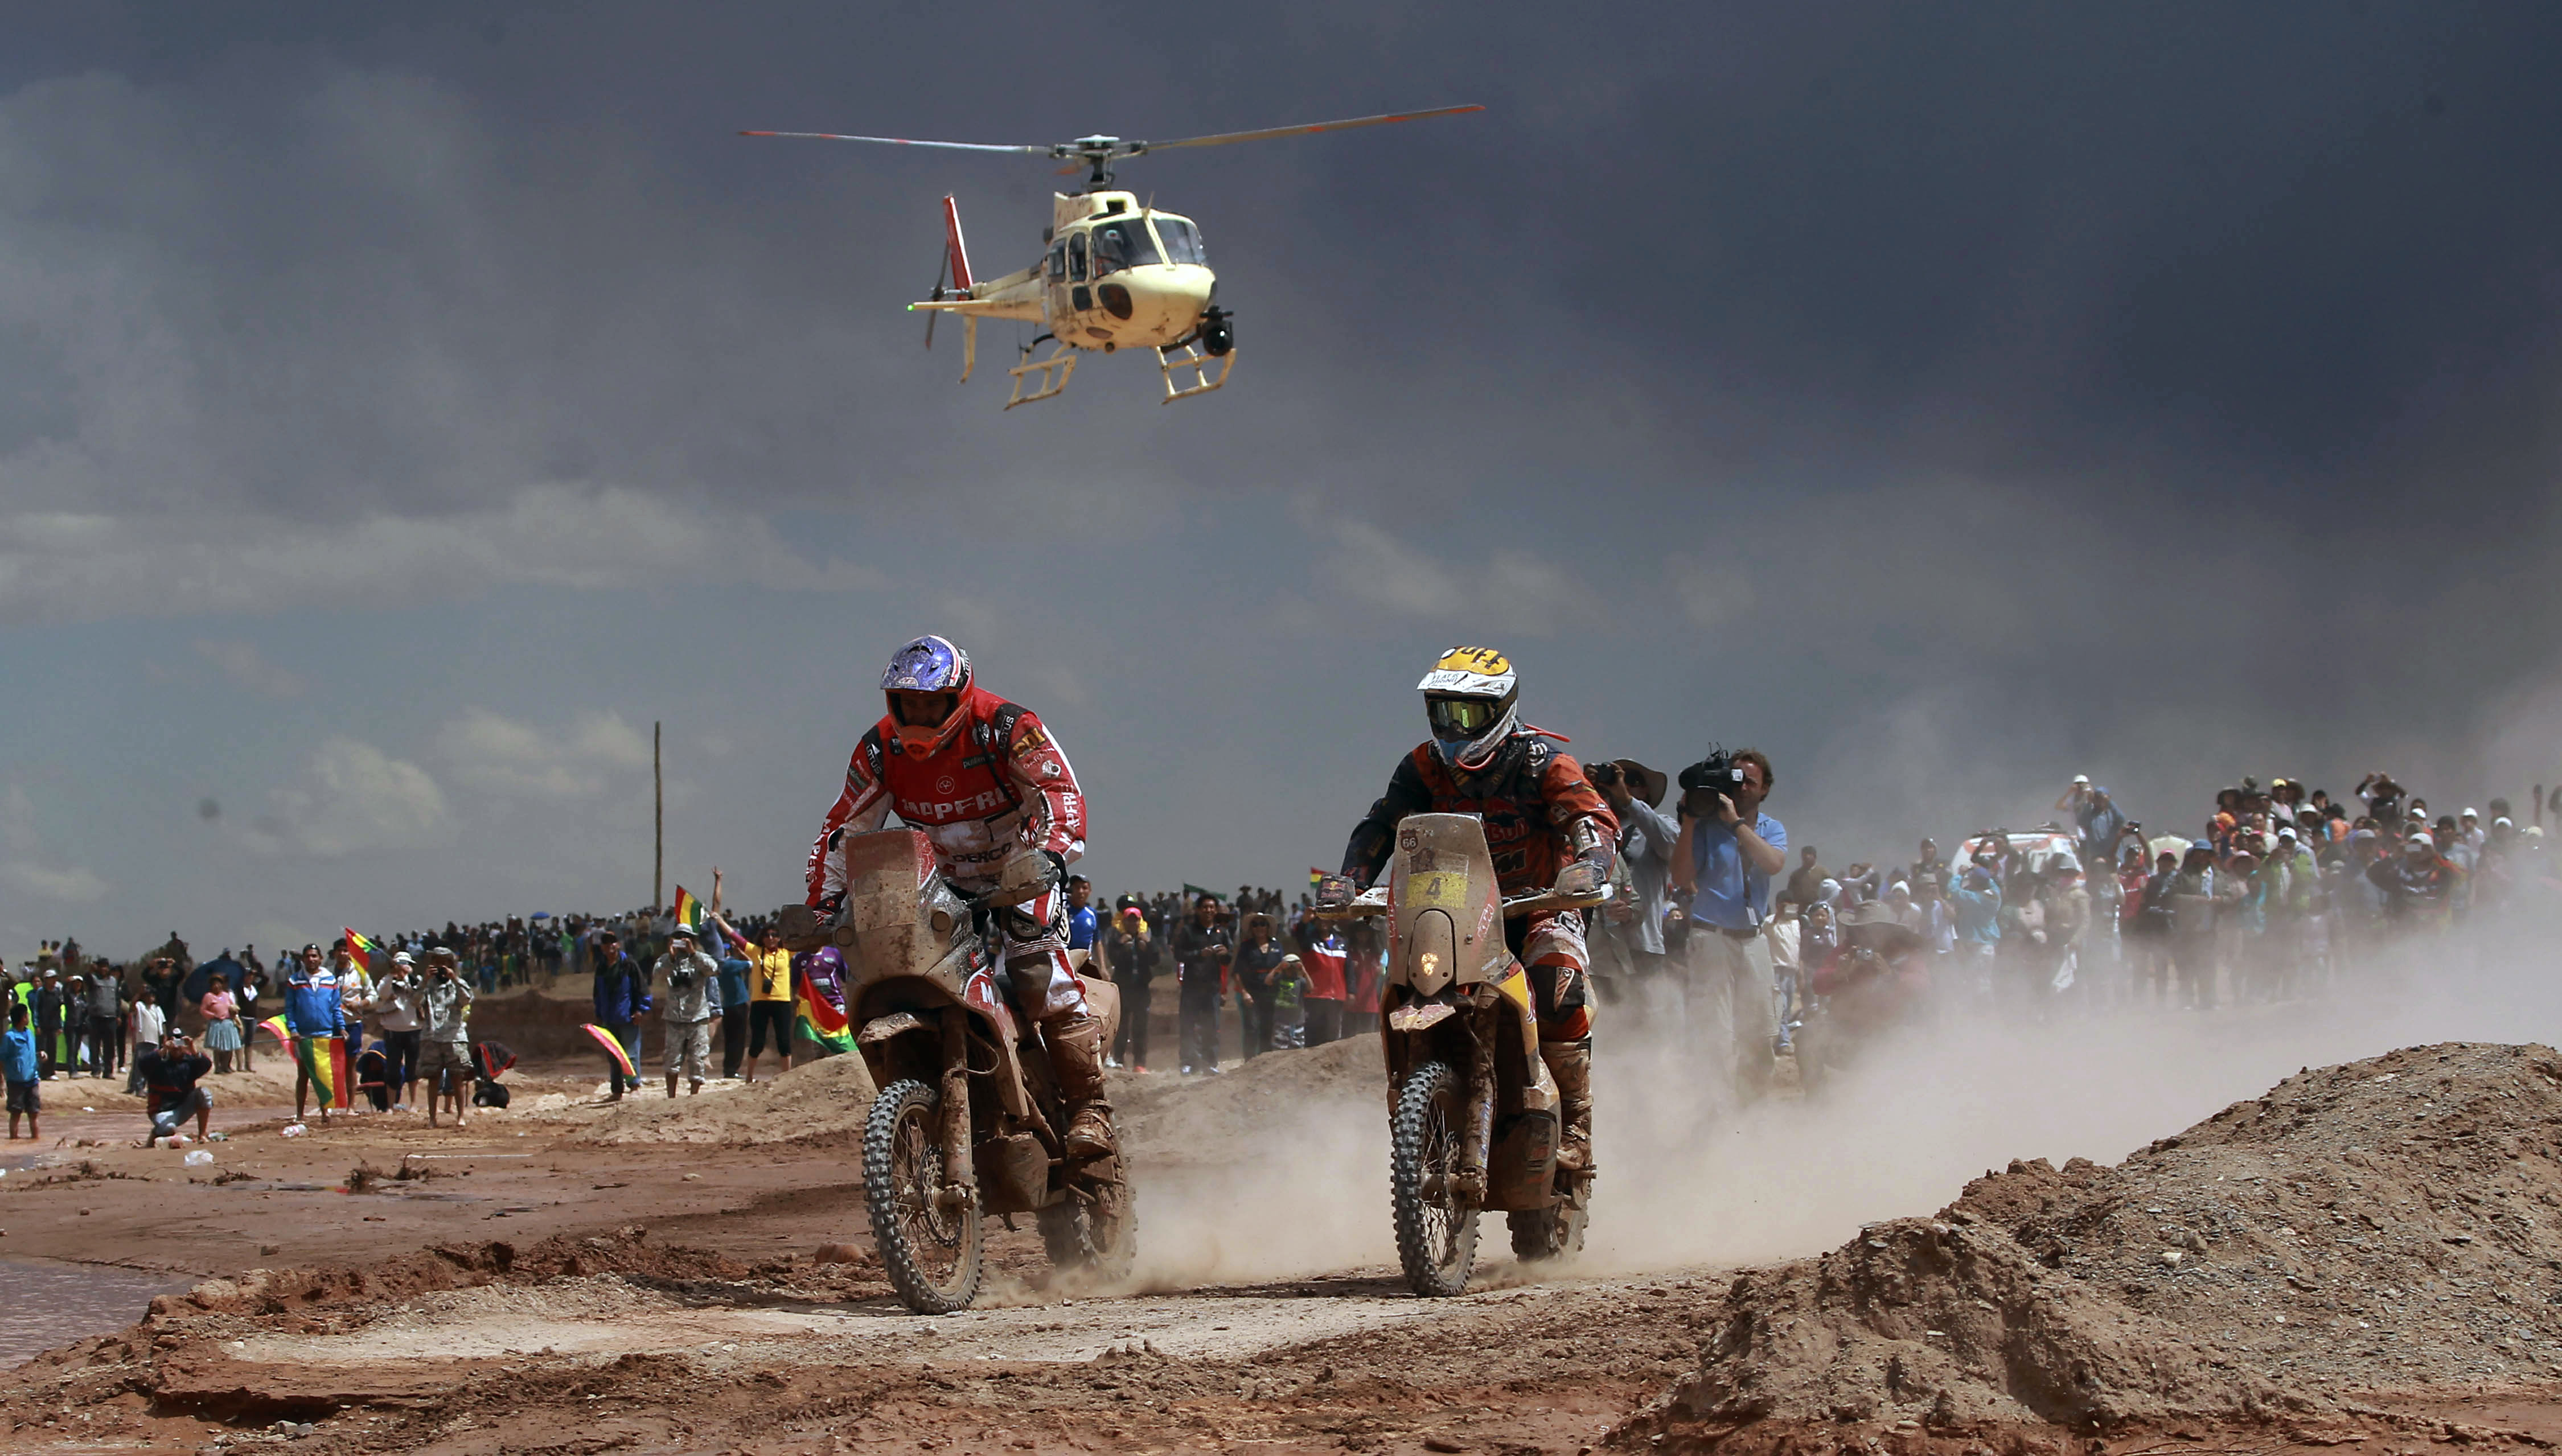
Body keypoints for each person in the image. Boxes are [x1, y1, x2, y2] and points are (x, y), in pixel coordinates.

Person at [803, 635, 1118, 1160]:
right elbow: (844, 828)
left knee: (1038, 970)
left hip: (1022, 867)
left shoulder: (1006, 726)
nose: (921, 715)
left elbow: (1061, 791)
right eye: (910, 704)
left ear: (958, 696)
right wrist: (822, 902)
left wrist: (1054, 852)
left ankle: (1091, 1109)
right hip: (936, 880)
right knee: (895, 973)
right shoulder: (880, 749)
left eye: (931, 703)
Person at [1327, 647, 1617, 1173]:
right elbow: (1380, 825)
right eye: (1441, 710)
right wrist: (1351, 881)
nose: (1451, 726)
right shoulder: (1422, 766)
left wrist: (1591, 865)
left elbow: (1591, 818)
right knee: (1414, 990)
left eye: (1466, 713)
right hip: (1451, 908)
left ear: (1502, 708)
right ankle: (1420, 1110)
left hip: (1540, 904)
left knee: (1557, 993)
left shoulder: (1544, 763)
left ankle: (1577, 1123)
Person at [1671, 747, 1783, 1106]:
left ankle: (1751, 1109)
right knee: (1713, 1034)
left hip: (1753, 939)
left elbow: (1773, 863)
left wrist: (1736, 823)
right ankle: (1714, 1113)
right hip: (1711, 936)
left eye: (1751, 781)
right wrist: (1689, 820)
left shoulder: (1771, 829)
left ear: (1765, 789)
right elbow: (1682, 878)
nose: (1742, 787)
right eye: (1735, 779)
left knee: (1762, 1032)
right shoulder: (1705, 828)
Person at [709, 908, 794, 1083]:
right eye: (768, 935)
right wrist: (719, 920)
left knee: (784, 1042)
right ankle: (749, 1077)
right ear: (763, 937)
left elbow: (808, 942)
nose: (771, 938)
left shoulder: (787, 953)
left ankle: (787, 1078)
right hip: (760, 1003)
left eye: (774, 935)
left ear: (780, 938)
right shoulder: (756, 952)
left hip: (782, 1002)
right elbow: (735, 937)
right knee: (757, 1042)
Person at [1168, 893, 1232, 1075]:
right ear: (1198, 910)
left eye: (1212, 907)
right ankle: (1188, 1062)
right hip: (1191, 987)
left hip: (1212, 987)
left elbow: (1229, 959)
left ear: (1216, 910)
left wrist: (1224, 954)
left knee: (1212, 1026)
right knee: (1188, 1025)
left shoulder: (1222, 932)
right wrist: (1199, 954)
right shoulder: (1188, 931)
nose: (1209, 910)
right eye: (1205, 907)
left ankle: (1210, 1063)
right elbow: (1178, 954)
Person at [656, 924, 721, 1097]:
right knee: (672, 1060)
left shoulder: (700, 959)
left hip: (697, 1018)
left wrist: (693, 954)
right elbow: (658, 976)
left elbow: (714, 969)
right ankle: (671, 1097)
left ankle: (694, 1097)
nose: (682, 940)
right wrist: (671, 958)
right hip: (674, 1018)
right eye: (678, 936)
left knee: (698, 1060)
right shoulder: (665, 960)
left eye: (686, 937)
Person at [284, 943, 343, 1124]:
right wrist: (293, 1029)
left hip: (325, 1033)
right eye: (308, 956)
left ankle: (325, 1111)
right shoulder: (295, 981)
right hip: (304, 1036)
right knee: (304, 1074)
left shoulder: (330, 979)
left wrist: (341, 1028)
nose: (311, 959)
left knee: (323, 1073)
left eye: (315, 956)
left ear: (321, 958)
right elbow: (290, 1009)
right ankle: (300, 1114)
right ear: (303, 959)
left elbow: (336, 1008)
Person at [416, 948, 475, 1128]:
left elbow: (467, 1000)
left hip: (454, 1037)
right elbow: (413, 1001)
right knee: (433, 1079)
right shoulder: (426, 985)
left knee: (457, 1078)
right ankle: (432, 1118)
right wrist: (424, 981)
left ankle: (461, 1117)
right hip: (432, 1036)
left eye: (444, 962)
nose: (440, 966)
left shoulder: (458, 984)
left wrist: (454, 979)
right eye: (436, 962)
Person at [1095, 906, 1158, 1071]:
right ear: (1124, 921)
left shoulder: (1146, 937)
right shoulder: (1118, 938)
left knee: (1140, 1027)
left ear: (1140, 921)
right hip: (1123, 988)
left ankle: (1140, 1063)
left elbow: (1156, 960)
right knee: (1121, 1026)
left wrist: (1148, 947)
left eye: (1136, 919)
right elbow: (1113, 959)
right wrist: (1121, 945)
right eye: (1129, 919)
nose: (1133, 922)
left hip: (1142, 989)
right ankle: (1119, 1060)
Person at [589, 931, 649, 1100]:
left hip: (628, 1017)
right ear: (602, 947)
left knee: (630, 1053)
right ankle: (617, 1091)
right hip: (609, 1019)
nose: (610, 946)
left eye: (613, 942)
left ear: (619, 944)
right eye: (607, 943)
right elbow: (597, 995)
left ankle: (634, 1086)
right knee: (613, 1056)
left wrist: (640, 1010)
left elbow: (641, 989)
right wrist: (599, 1015)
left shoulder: (628, 965)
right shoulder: (601, 967)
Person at [138, 1029, 214, 1146]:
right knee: (169, 1129)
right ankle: (157, 1132)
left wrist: (192, 1049)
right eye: (174, 1043)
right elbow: (143, 1064)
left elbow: (206, 1065)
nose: (176, 1047)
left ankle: (202, 1135)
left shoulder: (189, 1061)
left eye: (180, 1044)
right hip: (162, 1110)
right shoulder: (159, 1061)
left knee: (204, 1093)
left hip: (183, 1107)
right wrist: (164, 1050)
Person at [1233, 911, 1287, 1060]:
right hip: (1252, 992)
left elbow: (1283, 967)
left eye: (1262, 924)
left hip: (1271, 993)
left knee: (1268, 1027)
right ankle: (1249, 1061)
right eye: (1255, 924)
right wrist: (1244, 992)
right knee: (1251, 1027)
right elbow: (1237, 972)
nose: (1259, 928)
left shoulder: (1277, 946)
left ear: (1268, 927)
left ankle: (1266, 1060)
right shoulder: (1246, 948)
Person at [375, 952, 424, 1111]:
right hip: (393, 1030)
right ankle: (390, 1106)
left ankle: (414, 1104)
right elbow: (382, 993)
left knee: (413, 1068)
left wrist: (407, 978)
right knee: (392, 1069)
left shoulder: (417, 981)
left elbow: (421, 997)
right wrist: (392, 974)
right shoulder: (387, 981)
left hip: (413, 1029)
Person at [3, 1003, 37, 1140]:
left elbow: (31, 1053)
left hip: (33, 1079)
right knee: (16, 1114)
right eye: (27, 1014)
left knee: (34, 1114)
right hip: (16, 1081)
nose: (28, 1017)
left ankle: (36, 1141)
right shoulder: (9, 1037)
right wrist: (2, 1080)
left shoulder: (29, 1033)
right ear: (23, 1018)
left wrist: (40, 1055)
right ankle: (14, 1140)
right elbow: (2, 1058)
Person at [199, 971, 242, 1075]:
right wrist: (213, 1015)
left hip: (228, 1022)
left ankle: (226, 1066)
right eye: (214, 984)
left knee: (229, 1046)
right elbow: (203, 1010)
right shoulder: (209, 996)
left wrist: (234, 1012)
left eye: (219, 984)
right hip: (216, 1023)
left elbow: (232, 1005)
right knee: (218, 1047)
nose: (217, 986)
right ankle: (218, 1067)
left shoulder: (226, 995)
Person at [126, 985, 166, 1096]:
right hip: (143, 1039)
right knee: (140, 1065)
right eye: (148, 996)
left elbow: (162, 1024)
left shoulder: (157, 1009)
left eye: (153, 996)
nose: (151, 998)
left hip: (154, 1040)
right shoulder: (140, 1006)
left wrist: (164, 1037)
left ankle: (148, 1087)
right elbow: (132, 1007)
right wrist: (139, 994)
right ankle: (137, 1087)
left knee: (152, 1066)